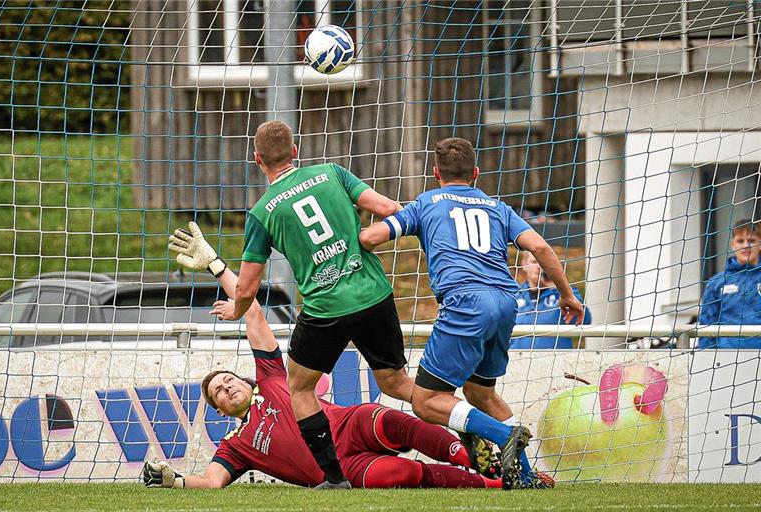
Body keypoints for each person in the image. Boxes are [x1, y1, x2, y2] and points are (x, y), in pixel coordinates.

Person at [149, 222, 506, 490]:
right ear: (221, 411)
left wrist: (215, 264)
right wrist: (174, 481)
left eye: (228, 381)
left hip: (350, 425)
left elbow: (253, 312)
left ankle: (481, 459)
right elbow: (211, 483)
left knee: (399, 423)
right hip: (342, 469)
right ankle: (495, 485)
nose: (228, 389)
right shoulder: (237, 446)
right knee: (405, 473)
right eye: (220, 394)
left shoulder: (272, 377)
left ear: (244, 379)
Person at [359, 137, 584, 489]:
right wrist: (568, 295)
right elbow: (540, 246)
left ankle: (504, 435)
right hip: (506, 302)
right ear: (476, 173)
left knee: (424, 401)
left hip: (466, 303)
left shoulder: (426, 203)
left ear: (435, 173)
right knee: (481, 394)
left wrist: (350, 235)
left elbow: (372, 238)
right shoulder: (497, 207)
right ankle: (528, 475)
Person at [207, 121, 413, 489]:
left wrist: (235, 311)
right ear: (295, 151)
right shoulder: (332, 173)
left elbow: (248, 288)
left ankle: (334, 479)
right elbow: (391, 208)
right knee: (398, 383)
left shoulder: (262, 213)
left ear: (257, 160)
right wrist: (369, 237)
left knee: (299, 389)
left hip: (326, 310)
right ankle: (465, 423)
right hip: (373, 294)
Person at [697, 219, 761, 349]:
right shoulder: (717, 283)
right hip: (726, 359)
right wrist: (704, 359)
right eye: (740, 241)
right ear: (733, 244)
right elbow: (707, 326)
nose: (746, 245)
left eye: (751, 241)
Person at [511, 251, 592, 349]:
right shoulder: (513, 296)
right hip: (518, 360)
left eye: (543, 262)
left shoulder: (566, 294)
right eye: (534, 262)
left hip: (555, 361)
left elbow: (585, 320)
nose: (539, 266)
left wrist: (558, 286)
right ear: (524, 264)